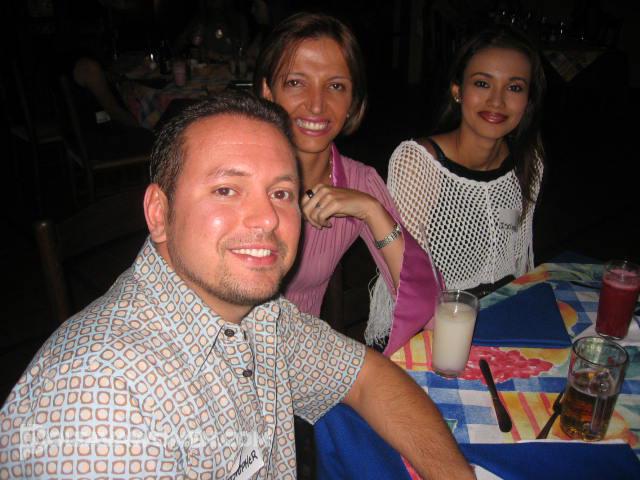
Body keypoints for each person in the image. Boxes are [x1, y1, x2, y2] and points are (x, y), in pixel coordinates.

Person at [0, 92, 474, 479]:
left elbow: (365, 377)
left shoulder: (258, 312)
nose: (267, 218)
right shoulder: (99, 412)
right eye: (226, 190)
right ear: (159, 213)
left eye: (281, 193)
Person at [253, 12, 440, 354]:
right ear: (268, 92)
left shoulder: (358, 182)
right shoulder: (233, 170)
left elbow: (428, 307)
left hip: (299, 362)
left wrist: (372, 210)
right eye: (296, 82)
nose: (316, 104)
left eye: (336, 86)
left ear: (353, 103)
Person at [382, 25, 546, 297]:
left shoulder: (528, 160)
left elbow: (519, 263)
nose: (497, 101)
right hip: (434, 312)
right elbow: (406, 278)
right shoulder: (419, 163)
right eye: (482, 83)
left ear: (528, 101)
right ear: (458, 91)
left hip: (502, 306)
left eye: (514, 87)